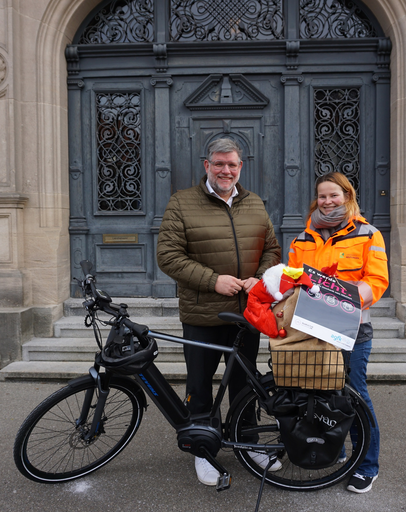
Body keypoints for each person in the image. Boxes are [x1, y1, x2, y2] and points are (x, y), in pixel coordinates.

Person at [156, 138, 282, 486]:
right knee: (199, 384)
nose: (226, 170)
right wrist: (214, 281)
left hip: (247, 315)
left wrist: (258, 279)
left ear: (241, 167)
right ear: (206, 165)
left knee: (246, 382)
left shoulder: (254, 202)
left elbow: (272, 248)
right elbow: (168, 256)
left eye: (233, 165)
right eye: (219, 163)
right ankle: (203, 449)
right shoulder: (182, 202)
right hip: (203, 315)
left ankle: (248, 441)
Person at [287, 172, 389, 494]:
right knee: (321, 394)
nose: (328, 201)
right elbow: (291, 280)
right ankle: (337, 451)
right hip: (312, 331)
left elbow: (377, 281)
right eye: (322, 196)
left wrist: (340, 299)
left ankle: (367, 465)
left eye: (334, 195)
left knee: (355, 395)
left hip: (351, 329)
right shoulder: (302, 239)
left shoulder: (368, 234)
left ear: (347, 195)